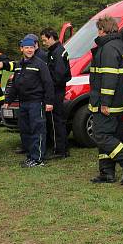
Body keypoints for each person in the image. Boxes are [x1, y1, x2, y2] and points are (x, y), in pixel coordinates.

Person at [88, 16, 123, 184]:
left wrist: (104, 102)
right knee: (112, 135)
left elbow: (109, 78)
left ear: (103, 30)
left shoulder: (108, 48)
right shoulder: (120, 46)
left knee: (101, 134)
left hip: (106, 103)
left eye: (98, 29)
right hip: (118, 101)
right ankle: (107, 172)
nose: (97, 33)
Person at [6, 36, 53, 168]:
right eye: (27, 48)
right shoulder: (18, 65)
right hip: (23, 103)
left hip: (36, 103)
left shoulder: (40, 64)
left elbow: (48, 84)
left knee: (37, 130)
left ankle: (38, 159)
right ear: (21, 49)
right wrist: (8, 100)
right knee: (25, 130)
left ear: (35, 48)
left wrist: (49, 102)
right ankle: (30, 156)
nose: (29, 50)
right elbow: (15, 85)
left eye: (31, 47)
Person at [40, 28, 71, 159]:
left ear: (51, 37)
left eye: (45, 40)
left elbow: (58, 75)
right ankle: (62, 147)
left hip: (55, 91)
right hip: (57, 90)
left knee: (55, 121)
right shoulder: (55, 51)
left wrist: (48, 86)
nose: (44, 43)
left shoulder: (57, 53)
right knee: (57, 120)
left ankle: (59, 150)